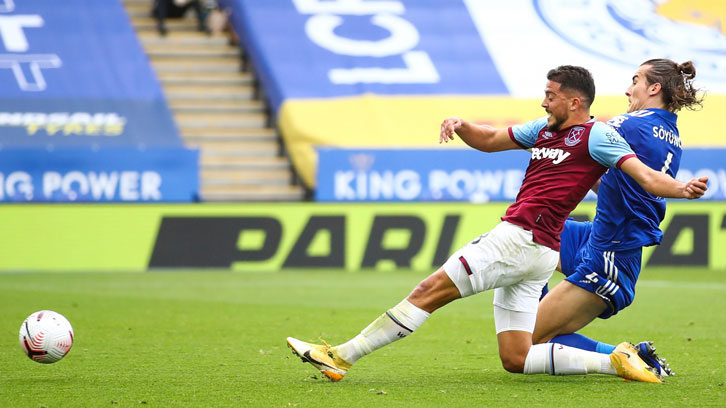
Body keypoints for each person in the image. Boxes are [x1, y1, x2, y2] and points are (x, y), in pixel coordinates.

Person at [286, 65, 708, 383]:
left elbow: (646, 177)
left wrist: (681, 189)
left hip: (551, 242)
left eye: (551, 95)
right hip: (546, 248)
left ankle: (340, 357)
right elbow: (491, 140)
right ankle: (615, 359)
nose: (544, 103)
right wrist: (462, 125)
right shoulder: (554, 130)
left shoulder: (607, 130)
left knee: (430, 291)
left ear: (575, 102)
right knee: (517, 357)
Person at [532, 59, 706, 376]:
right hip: (601, 238)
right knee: (528, 234)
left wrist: (533, 133)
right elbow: (618, 184)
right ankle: (534, 307)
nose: (628, 88)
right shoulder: (669, 132)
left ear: (654, 88)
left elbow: (577, 129)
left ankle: (627, 357)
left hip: (610, 255)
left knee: (530, 343)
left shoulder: (631, 124)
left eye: (635, 80)